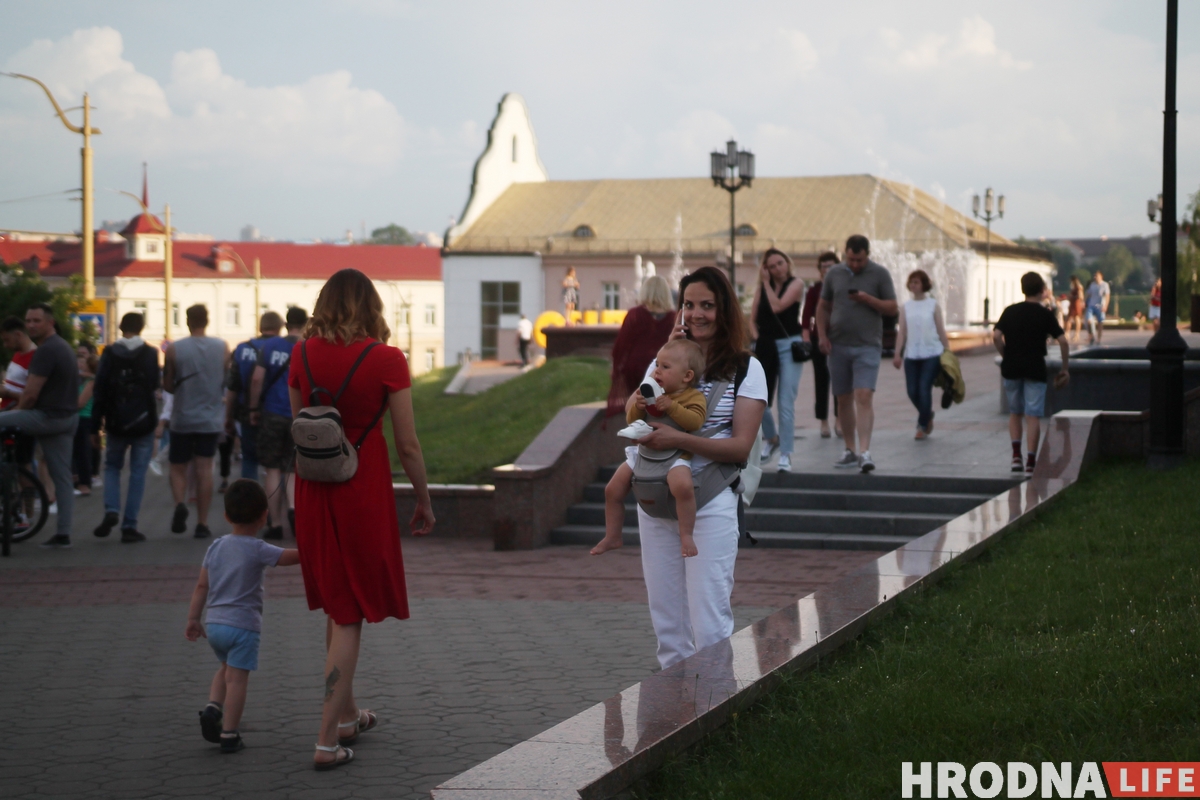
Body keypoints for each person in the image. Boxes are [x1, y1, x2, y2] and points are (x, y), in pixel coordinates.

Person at [286, 268, 435, 770]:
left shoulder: (301, 354)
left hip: (312, 489)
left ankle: (347, 716)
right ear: (372, 306)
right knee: (349, 613)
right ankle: (327, 741)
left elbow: (299, 426)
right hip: (360, 489)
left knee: (336, 601)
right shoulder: (387, 359)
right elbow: (408, 443)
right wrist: (423, 499)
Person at [625, 266, 767, 670]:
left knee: (709, 623)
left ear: (724, 310)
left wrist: (680, 441)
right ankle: (674, 719)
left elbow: (740, 446)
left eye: (707, 305)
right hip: (655, 499)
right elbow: (635, 418)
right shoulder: (663, 363)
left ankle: (714, 711)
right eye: (688, 305)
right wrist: (662, 359)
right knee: (668, 626)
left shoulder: (746, 369)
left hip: (710, 500)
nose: (697, 314)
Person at [186, 479, 300, 754]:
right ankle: (229, 733)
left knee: (225, 669)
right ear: (264, 516)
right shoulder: (258, 548)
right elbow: (287, 557)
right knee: (237, 680)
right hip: (243, 627)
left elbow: (202, 585)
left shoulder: (215, 546)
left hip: (214, 625)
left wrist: (193, 618)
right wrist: (313, 551)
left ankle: (213, 708)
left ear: (226, 516)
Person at [592, 338, 707, 558]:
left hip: (675, 457)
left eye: (665, 367)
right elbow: (631, 419)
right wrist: (637, 406)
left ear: (687, 376)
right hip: (643, 455)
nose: (657, 371)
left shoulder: (693, 397)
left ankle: (686, 535)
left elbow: (695, 422)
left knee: (683, 486)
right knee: (612, 489)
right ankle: (613, 535)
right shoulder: (649, 392)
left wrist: (672, 406)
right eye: (657, 365)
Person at [815, 235, 898, 473]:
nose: (855, 264)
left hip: (868, 345)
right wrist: (822, 336)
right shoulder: (835, 274)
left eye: (859, 260)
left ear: (867, 255)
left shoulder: (879, 274)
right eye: (851, 259)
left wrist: (867, 299)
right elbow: (823, 306)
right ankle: (850, 449)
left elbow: (892, 307)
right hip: (838, 345)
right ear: (845, 253)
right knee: (843, 398)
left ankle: (865, 451)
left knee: (863, 395)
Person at [0, 304, 79, 546]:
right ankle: (63, 534)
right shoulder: (64, 347)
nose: (32, 325)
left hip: (46, 417)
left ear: (50, 323)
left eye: (37, 320)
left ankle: (5, 478)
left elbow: (31, 396)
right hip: (67, 418)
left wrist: (14, 414)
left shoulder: (46, 351)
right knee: (62, 478)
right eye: (29, 320)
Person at [92, 312, 161, 543]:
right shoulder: (150, 353)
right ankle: (129, 526)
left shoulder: (109, 353)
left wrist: (95, 425)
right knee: (138, 473)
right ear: (142, 328)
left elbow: (99, 389)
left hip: (115, 421)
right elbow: (154, 384)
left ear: (121, 328)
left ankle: (112, 509)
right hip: (143, 421)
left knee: (111, 467)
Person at [993, 272, 1070, 475]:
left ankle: (1016, 457)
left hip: (1011, 368)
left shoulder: (1010, 311)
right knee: (1033, 415)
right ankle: (1030, 462)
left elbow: (996, 335)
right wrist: (1064, 368)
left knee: (1015, 412)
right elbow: (1062, 340)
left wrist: (1005, 354)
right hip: (1035, 368)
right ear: (1042, 290)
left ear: (1023, 288)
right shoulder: (1045, 314)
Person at [164, 304, 230, 539]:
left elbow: (168, 386)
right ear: (207, 320)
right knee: (204, 470)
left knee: (178, 467)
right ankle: (202, 524)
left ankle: (180, 503)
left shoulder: (174, 349)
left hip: (182, 418)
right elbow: (226, 381)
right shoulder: (222, 348)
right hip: (210, 420)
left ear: (187, 321)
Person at [250, 307, 306, 540]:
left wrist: (253, 408)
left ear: (286, 324)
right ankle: (293, 508)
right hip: (299, 415)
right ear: (304, 324)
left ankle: (275, 523)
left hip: (272, 413)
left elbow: (256, 379)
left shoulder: (270, 346)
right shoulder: (307, 348)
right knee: (293, 467)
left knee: (272, 468)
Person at [749, 248, 805, 472]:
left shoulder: (797, 283)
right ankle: (772, 438)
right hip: (766, 346)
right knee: (759, 399)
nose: (777, 269)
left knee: (785, 401)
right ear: (766, 269)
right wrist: (757, 338)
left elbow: (778, 306)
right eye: (771, 266)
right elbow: (752, 320)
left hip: (790, 345)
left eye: (780, 263)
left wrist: (766, 284)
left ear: (787, 263)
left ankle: (786, 454)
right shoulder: (761, 289)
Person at [606, 276, 677, 417]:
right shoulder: (673, 317)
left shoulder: (635, 314)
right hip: (662, 368)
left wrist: (617, 368)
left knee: (637, 405)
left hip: (635, 367)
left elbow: (621, 344)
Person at [892, 270, 950, 440]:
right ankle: (927, 414)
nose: (913, 285)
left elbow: (940, 330)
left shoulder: (933, 305)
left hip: (932, 353)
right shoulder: (905, 307)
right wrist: (897, 354)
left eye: (916, 282)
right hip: (911, 355)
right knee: (912, 391)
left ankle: (922, 425)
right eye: (911, 282)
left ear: (924, 285)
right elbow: (902, 332)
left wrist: (948, 352)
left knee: (924, 389)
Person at [227, 313, 280, 484]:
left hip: (246, 411)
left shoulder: (242, 349)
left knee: (249, 458)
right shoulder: (283, 348)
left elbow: (233, 387)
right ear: (279, 328)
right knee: (275, 463)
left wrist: (228, 417)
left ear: (260, 327)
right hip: (276, 412)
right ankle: (275, 505)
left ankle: (249, 502)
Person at [802, 252, 839, 439]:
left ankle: (840, 419)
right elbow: (806, 316)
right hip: (819, 341)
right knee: (821, 382)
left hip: (840, 340)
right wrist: (807, 338)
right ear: (819, 270)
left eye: (831, 266)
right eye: (824, 266)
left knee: (841, 382)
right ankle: (823, 421)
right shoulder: (815, 290)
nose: (827, 269)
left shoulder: (842, 288)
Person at [0, 317, 38, 470]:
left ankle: (27, 492)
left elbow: (32, 395)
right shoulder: (18, 354)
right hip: (7, 412)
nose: (5, 345)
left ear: (18, 335)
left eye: (7, 340)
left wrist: (7, 392)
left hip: (19, 414)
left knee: (22, 461)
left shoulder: (34, 357)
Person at [72, 346, 98, 496]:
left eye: (84, 363)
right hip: (80, 418)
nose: (81, 365)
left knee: (82, 452)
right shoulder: (86, 380)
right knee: (78, 452)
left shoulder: (91, 382)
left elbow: (81, 403)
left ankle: (84, 483)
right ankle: (80, 480)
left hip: (84, 418)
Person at [1084, 270, 1111, 346]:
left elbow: (1107, 296)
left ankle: (1098, 339)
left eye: (1097, 276)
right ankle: (1091, 335)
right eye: (1095, 276)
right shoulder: (1092, 285)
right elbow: (1088, 294)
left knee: (1100, 323)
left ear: (1101, 277)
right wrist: (1084, 302)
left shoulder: (1105, 285)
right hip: (1091, 305)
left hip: (1100, 306)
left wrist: (1105, 306)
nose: (1095, 277)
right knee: (1088, 321)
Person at [1066, 275, 1085, 344]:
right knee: (1069, 319)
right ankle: (1068, 333)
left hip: (1076, 304)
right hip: (1073, 303)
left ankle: (1077, 334)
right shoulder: (1074, 286)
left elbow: (1081, 296)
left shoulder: (1078, 287)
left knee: (1076, 319)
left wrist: (1073, 296)